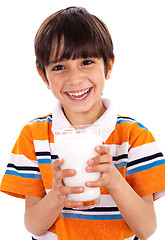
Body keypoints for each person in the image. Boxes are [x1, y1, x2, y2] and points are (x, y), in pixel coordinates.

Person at [0, 6, 165, 240]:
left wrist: (114, 180)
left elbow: (147, 228)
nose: (75, 78)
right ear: (43, 76)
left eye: (86, 62)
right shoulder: (33, 135)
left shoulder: (134, 136)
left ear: (108, 66)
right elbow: (33, 225)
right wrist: (56, 197)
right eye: (59, 67)